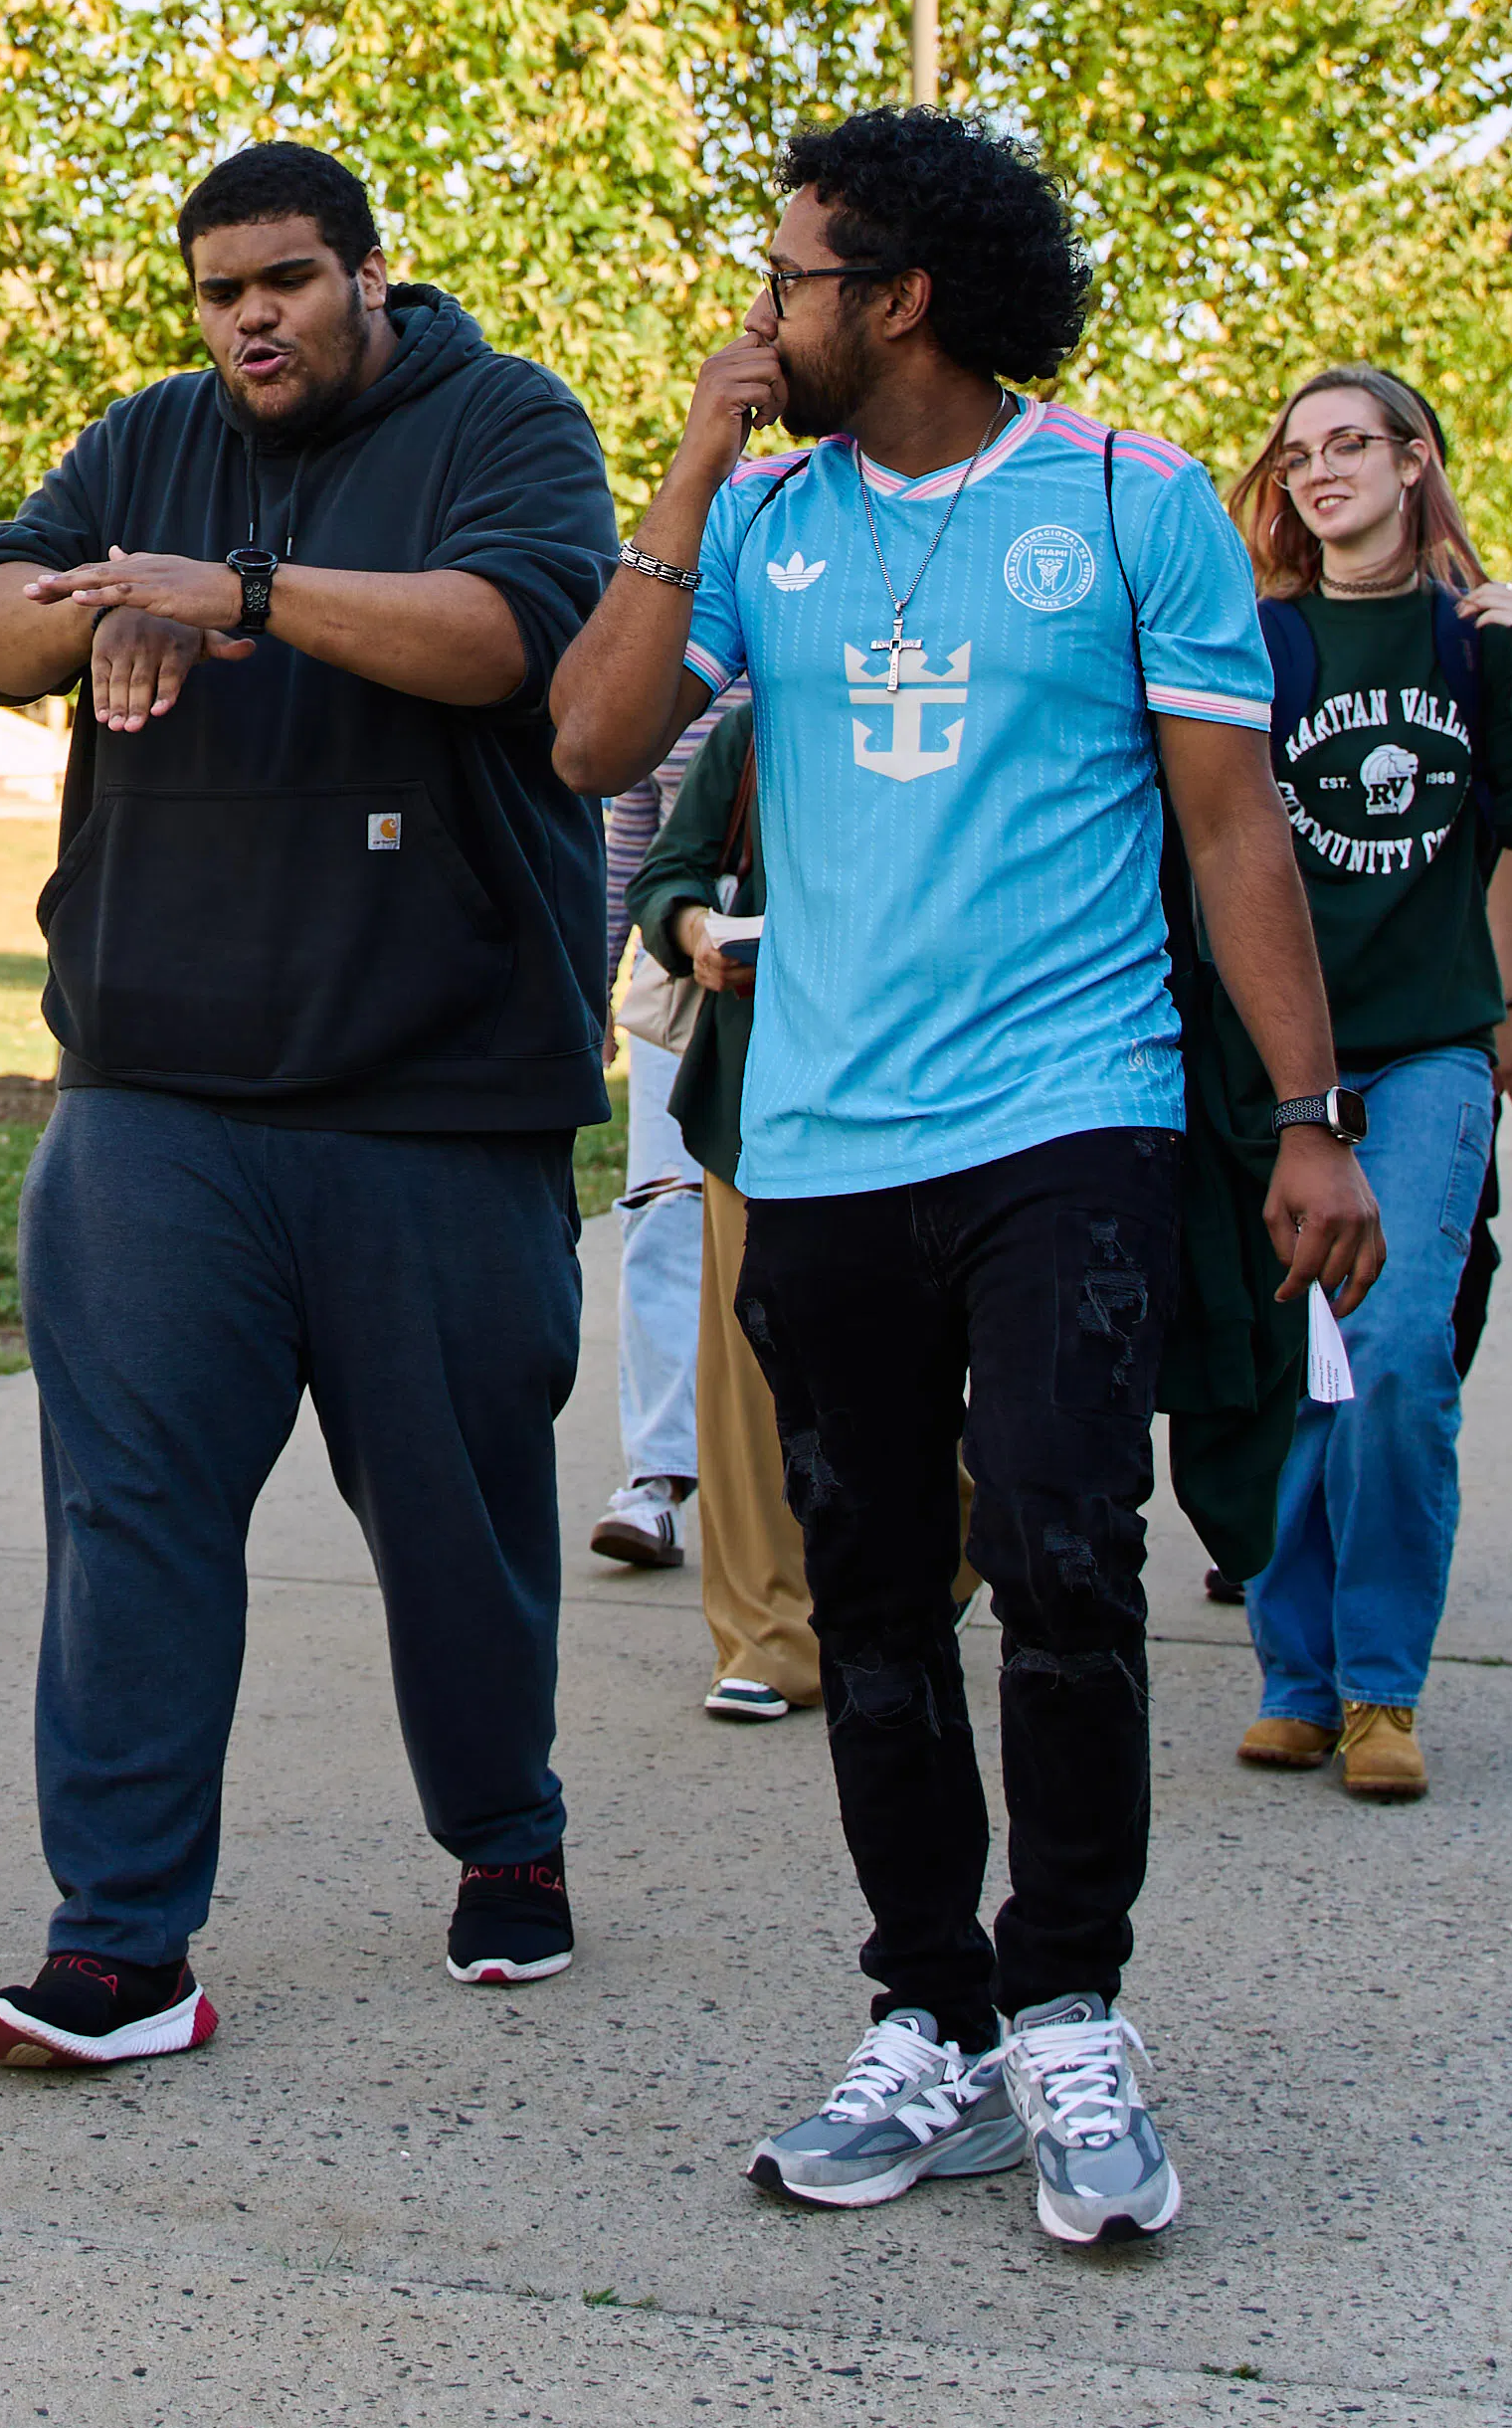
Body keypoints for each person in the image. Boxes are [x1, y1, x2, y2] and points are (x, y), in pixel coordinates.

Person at [546, 107, 1374, 2251]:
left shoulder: (1133, 502)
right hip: (817, 1137)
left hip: (1066, 1121)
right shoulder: (768, 520)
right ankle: (930, 2017)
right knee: (875, 1590)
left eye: (792, 275)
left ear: (899, 297)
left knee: (1075, 1561)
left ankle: (1070, 2006)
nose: (763, 308)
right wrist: (689, 472)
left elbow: (1231, 833)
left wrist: (1306, 1115)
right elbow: (590, 739)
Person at [0, 138, 621, 2068]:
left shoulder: (504, 419)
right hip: (155, 1093)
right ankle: (119, 1945)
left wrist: (233, 593)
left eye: (289, 282)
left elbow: (521, 637)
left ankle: (506, 1836)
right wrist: (89, 617)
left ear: (370, 278)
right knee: (134, 1516)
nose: (252, 318)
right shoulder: (146, 440)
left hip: (432, 1099)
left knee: (455, 1526)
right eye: (221, 288)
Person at [1195, 364, 1512, 1809]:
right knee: (1287, 1374)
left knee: (1395, 1358)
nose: (1321, 471)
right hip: (1276, 1063)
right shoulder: (1257, 645)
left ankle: (1379, 1689)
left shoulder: (1475, 644)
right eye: (1298, 452)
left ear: (1415, 462)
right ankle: (1292, 1677)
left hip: (1430, 1052)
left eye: (1350, 445)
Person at [617, 699, 825, 1728]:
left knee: (945, 1388)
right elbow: (666, 872)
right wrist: (695, 930)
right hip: (759, 1094)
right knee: (749, 1376)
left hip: (939, 1093)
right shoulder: (755, 731)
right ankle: (766, 1636)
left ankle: (923, 1577)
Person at [591, 723, 712, 1578]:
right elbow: (631, 822)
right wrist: (591, 979)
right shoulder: (667, 604)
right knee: (666, 1213)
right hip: (681, 945)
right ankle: (656, 1481)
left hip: (832, 941)